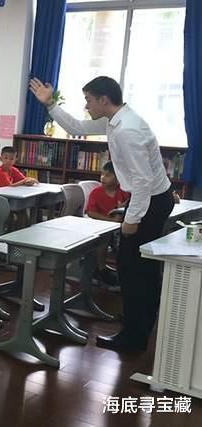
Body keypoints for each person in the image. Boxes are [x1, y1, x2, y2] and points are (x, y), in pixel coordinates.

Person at [29, 75, 175, 352]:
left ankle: (134, 337)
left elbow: (143, 180)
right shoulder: (116, 120)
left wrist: (132, 219)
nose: (86, 106)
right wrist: (50, 105)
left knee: (133, 270)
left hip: (150, 202)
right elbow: (76, 126)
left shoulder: (126, 130)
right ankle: (137, 325)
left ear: (104, 100)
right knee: (139, 269)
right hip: (153, 198)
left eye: (88, 100)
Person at [85, 161, 130, 287]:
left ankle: (123, 272)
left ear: (118, 178)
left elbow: (130, 201)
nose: (103, 178)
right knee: (104, 239)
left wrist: (123, 206)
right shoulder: (96, 192)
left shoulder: (123, 191)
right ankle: (101, 269)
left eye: (108, 175)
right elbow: (91, 213)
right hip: (100, 226)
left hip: (118, 226)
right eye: (102, 174)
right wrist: (109, 220)